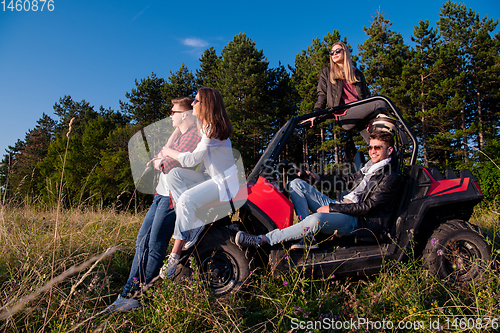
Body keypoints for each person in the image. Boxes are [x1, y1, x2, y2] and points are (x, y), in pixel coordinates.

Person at [106, 97, 200, 312]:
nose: (170, 116)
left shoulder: (194, 136)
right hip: (160, 195)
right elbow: (160, 156)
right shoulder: (181, 136)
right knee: (143, 241)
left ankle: (137, 296)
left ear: (185, 114)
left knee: (155, 244)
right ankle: (129, 293)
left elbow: (167, 163)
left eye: (174, 112)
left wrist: (160, 160)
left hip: (172, 199)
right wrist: (172, 138)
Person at [235, 130, 399, 250]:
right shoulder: (369, 168)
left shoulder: (390, 177)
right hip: (343, 206)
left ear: (389, 150)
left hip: (358, 220)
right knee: (296, 184)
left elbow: (368, 208)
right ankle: (308, 238)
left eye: (377, 148)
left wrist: (333, 208)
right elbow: (347, 180)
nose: (372, 151)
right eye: (370, 147)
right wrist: (318, 178)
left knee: (316, 220)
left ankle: (263, 239)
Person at [158, 87, 238, 279]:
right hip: (213, 179)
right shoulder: (205, 127)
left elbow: (190, 160)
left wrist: (166, 152)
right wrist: (172, 138)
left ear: (206, 104)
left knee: (186, 198)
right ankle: (193, 223)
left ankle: (174, 257)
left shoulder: (212, 129)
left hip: (225, 184)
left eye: (196, 100)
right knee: (174, 175)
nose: (192, 103)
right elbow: (180, 128)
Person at [308, 41, 387, 142]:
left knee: (378, 143)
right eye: (331, 52)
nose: (334, 54)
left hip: (361, 112)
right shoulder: (327, 72)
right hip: (344, 114)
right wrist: (315, 113)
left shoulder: (357, 73)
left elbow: (366, 97)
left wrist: (370, 119)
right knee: (380, 102)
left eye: (337, 51)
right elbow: (322, 95)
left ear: (345, 52)